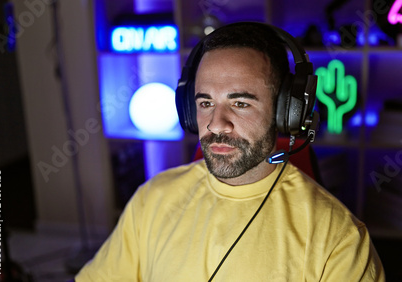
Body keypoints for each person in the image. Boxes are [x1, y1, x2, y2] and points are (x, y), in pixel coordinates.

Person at [75, 22, 385, 281]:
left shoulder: (339, 238)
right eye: (205, 103)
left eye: (240, 103)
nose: (216, 124)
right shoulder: (152, 199)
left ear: (285, 112)